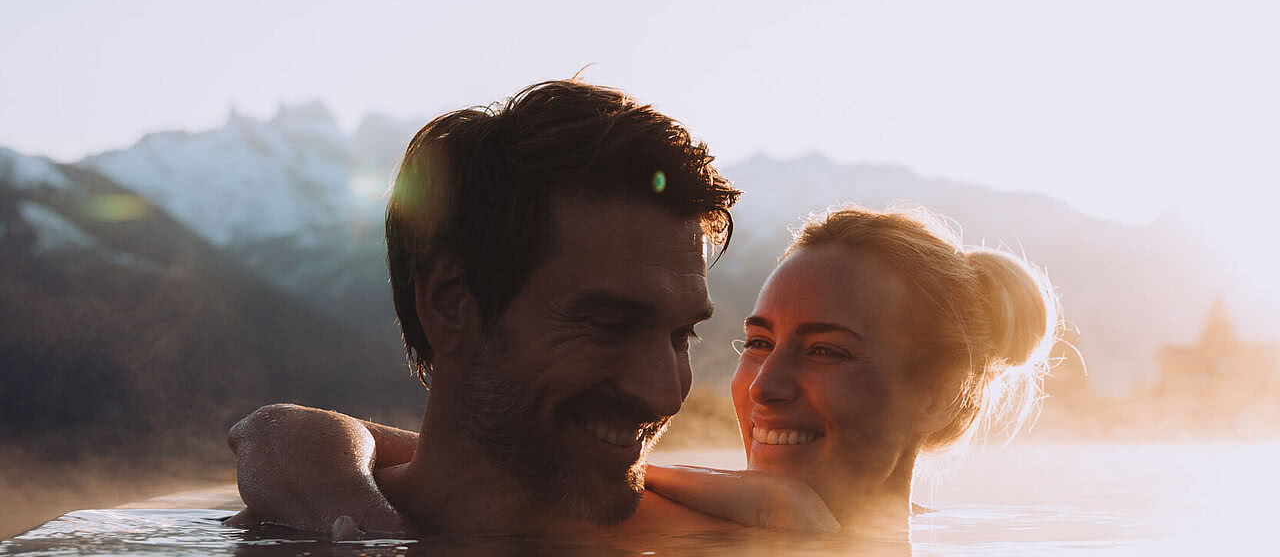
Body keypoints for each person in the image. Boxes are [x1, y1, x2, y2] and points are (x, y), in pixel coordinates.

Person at [231, 204, 1059, 541]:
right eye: (757, 343)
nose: (766, 386)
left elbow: (278, 435)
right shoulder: (675, 525)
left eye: (828, 350)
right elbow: (278, 434)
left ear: (938, 396)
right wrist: (368, 529)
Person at [225, 79, 742, 537]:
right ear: (450, 304)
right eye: (609, 325)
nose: (664, 393)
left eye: (681, 335)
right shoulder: (304, 535)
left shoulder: (731, 535)